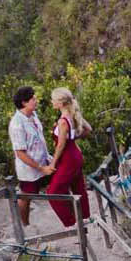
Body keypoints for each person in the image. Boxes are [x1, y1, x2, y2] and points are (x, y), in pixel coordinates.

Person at [43, 86, 92, 229]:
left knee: (53, 192)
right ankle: (84, 217)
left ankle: (71, 223)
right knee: (78, 187)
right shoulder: (73, 114)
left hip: (69, 158)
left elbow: (60, 145)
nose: (51, 102)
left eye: (53, 99)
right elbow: (88, 129)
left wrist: (53, 163)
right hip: (75, 154)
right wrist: (73, 137)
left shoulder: (63, 121)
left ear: (60, 102)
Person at [8, 85, 51, 222]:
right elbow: (20, 153)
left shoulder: (33, 115)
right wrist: (39, 167)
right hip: (30, 169)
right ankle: (25, 224)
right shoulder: (17, 124)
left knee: (58, 182)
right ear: (24, 102)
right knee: (26, 196)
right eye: (33, 98)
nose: (36, 100)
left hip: (44, 160)